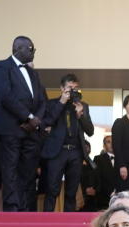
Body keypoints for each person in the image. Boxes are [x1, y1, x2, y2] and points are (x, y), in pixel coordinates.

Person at [0, 36, 47, 211]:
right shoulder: (2, 66)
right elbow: (5, 95)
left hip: (31, 132)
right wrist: (28, 117)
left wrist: (34, 120)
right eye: (31, 49)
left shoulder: (33, 73)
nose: (33, 52)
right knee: (10, 172)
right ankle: (12, 210)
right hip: (11, 129)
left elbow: (42, 100)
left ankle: (27, 210)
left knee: (29, 173)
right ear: (18, 48)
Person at [39, 73, 93, 212]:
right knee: (52, 190)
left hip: (76, 151)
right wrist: (62, 102)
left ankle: (68, 224)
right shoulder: (52, 104)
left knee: (71, 192)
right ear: (62, 88)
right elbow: (47, 122)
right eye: (70, 88)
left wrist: (81, 116)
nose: (73, 91)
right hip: (58, 151)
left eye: (75, 89)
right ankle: (47, 222)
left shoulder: (83, 106)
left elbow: (90, 131)